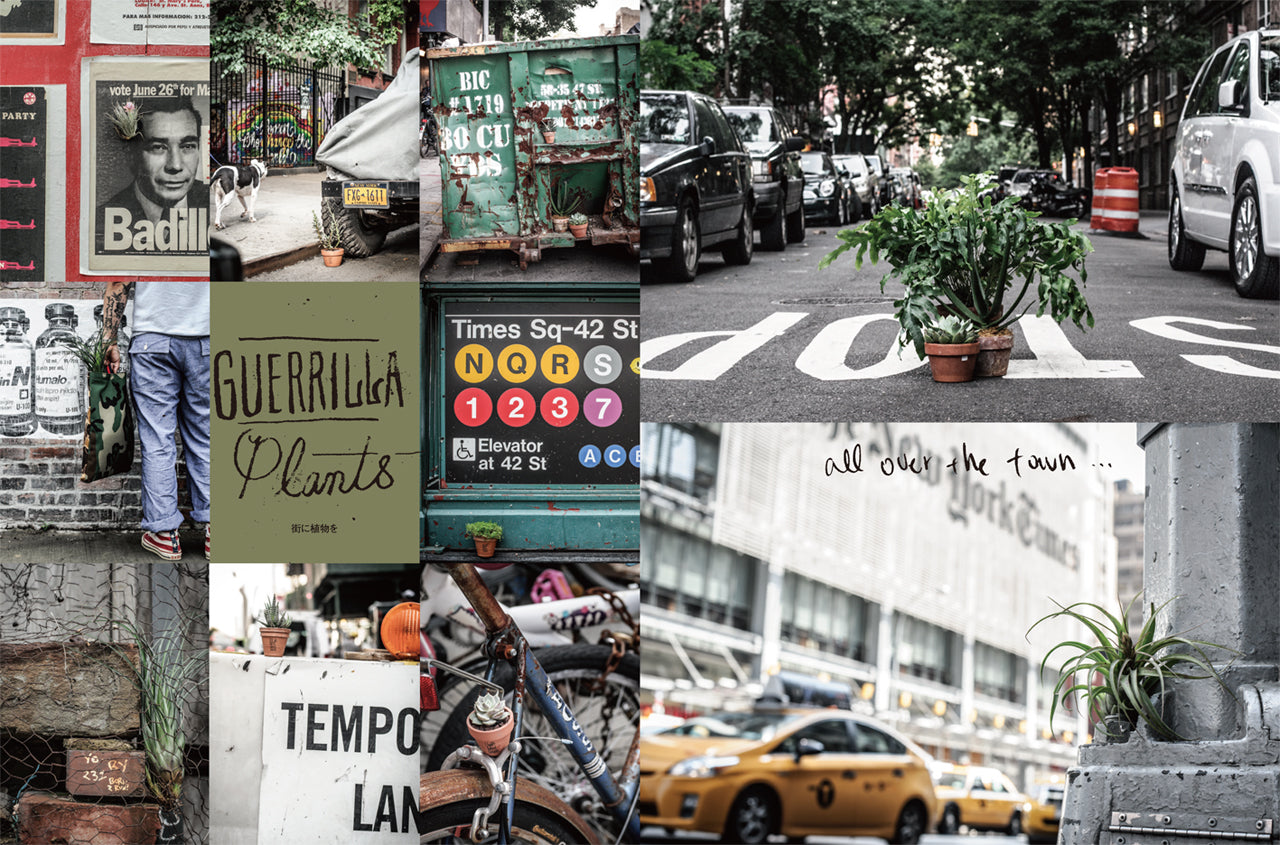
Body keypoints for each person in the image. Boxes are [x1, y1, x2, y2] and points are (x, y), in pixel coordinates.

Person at [102, 282, 210, 560]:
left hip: (153, 341)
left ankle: (164, 535)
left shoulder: (139, 235)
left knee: (157, 440)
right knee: (207, 437)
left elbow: (119, 282)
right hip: (208, 337)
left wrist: (109, 340)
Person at [96, 97, 209, 253]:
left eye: (188, 146)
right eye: (158, 147)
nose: (175, 165)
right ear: (131, 154)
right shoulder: (101, 220)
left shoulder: (212, 201)